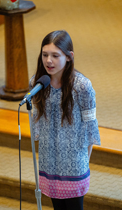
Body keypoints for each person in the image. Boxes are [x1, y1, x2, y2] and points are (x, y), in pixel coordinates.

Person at [30, 30, 101, 210]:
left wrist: (83, 163)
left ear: (69, 57)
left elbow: (89, 128)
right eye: (45, 55)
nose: (48, 61)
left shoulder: (82, 86)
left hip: (75, 164)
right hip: (50, 162)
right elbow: (38, 123)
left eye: (55, 55)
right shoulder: (37, 85)